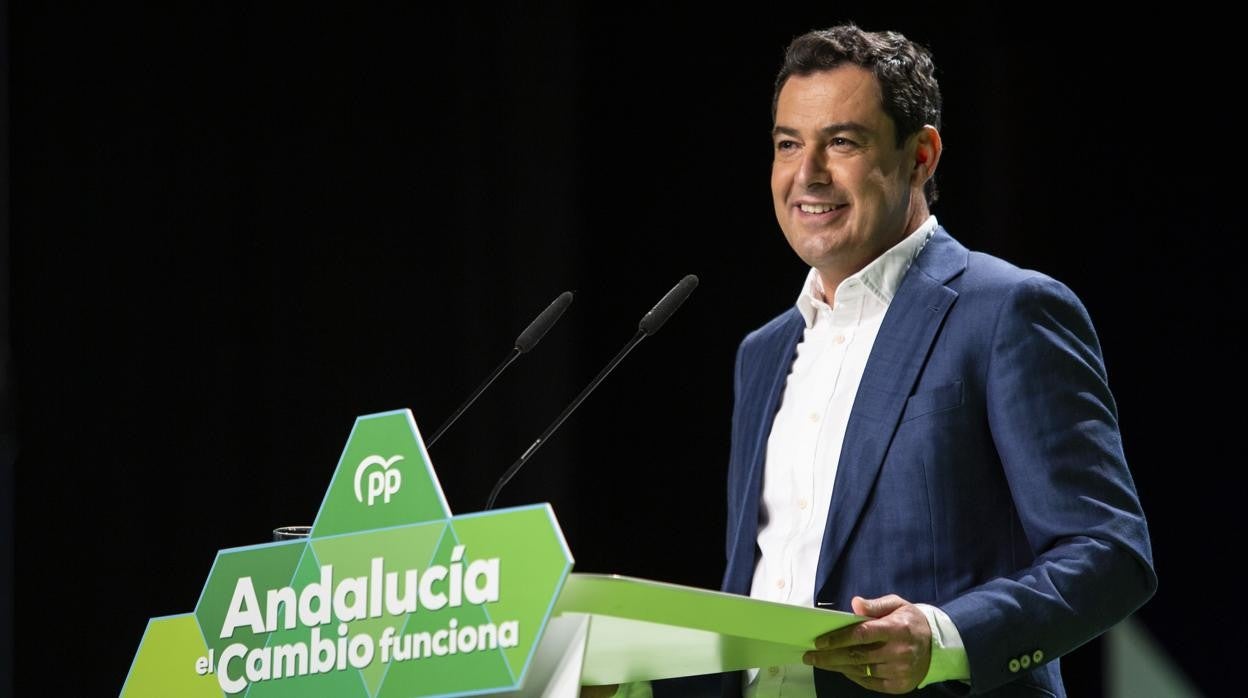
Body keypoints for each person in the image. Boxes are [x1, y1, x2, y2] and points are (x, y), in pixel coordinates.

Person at [584, 23, 1155, 698]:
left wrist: (943, 638)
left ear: (921, 156)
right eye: (788, 145)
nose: (807, 175)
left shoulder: (1007, 312)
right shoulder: (762, 355)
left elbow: (1110, 555)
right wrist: (630, 682)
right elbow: (760, 624)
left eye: (842, 142)